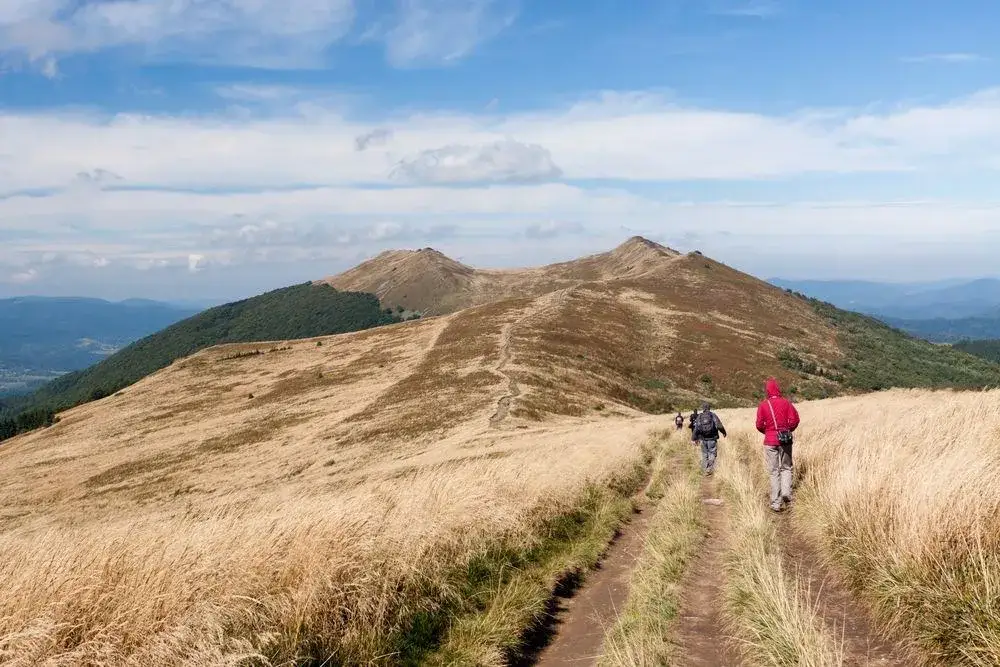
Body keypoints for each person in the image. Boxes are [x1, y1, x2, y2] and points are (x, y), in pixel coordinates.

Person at [756, 377, 801, 512]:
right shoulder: (786, 403)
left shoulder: (763, 405)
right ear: (778, 389)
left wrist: (767, 432)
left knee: (774, 471)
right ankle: (786, 493)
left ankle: (776, 502)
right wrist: (788, 430)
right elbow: (795, 420)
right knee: (786, 468)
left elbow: (758, 424)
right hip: (785, 440)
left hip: (770, 442)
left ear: (767, 391)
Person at [691, 402, 727, 475]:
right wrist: (724, 432)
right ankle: (710, 468)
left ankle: (704, 469)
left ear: (703, 408)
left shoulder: (700, 416)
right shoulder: (712, 415)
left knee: (704, 454)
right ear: (709, 408)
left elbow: (696, 428)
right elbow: (719, 425)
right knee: (712, 453)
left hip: (703, 439)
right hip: (712, 439)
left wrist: (693, 438)